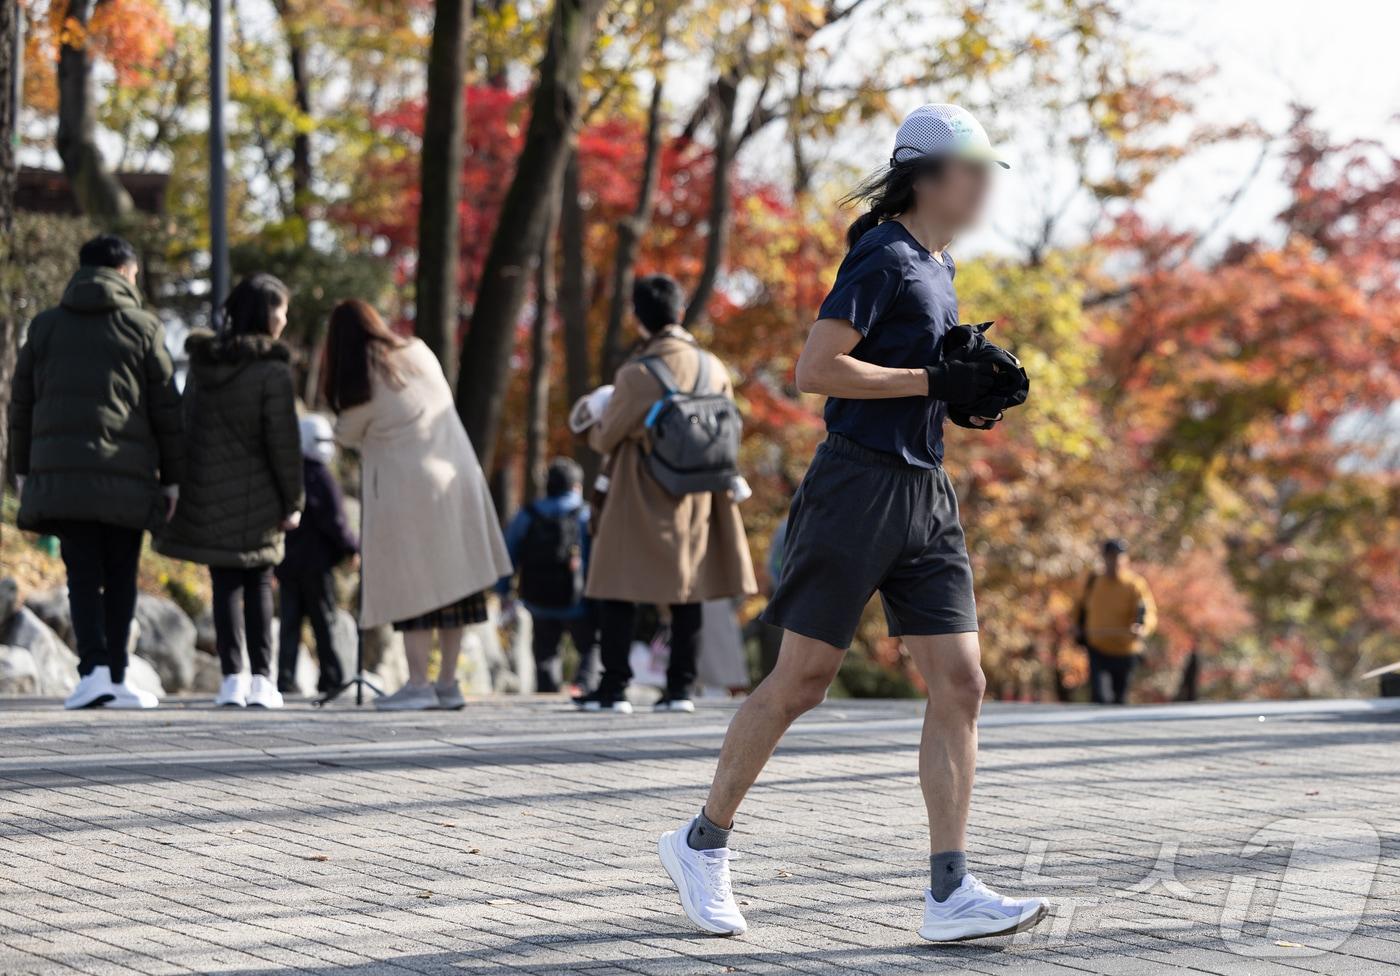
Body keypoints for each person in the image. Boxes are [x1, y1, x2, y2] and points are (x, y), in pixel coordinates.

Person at [654, 104, 1049, 942]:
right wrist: (933, 381)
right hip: (856, 487)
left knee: (963, 683)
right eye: (972, 170)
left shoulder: (938, 263)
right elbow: (816, 368)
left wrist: (959, 389)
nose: (984, 186)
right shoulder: (885, 254)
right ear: (929, 175)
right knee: (802, 681)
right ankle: (702, 843)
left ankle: (949, 892)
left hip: (924, 492)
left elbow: (925, 374)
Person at [8, 234, 183, 709]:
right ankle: (118, 677)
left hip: (62, 477)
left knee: (82, 573)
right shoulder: (143, 328)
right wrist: (172, 476)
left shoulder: (44, 328)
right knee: (122, 574)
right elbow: (167, 408)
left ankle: (92, 674)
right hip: (127, 475)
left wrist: (20, 470)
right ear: (126, 273)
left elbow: (21, 406)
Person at [576, 275, 756, 714]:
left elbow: (605, 439)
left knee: (618, 583)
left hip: (640, 489)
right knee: (687, 588)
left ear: (638, 318)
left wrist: (594, 412)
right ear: (678, 312)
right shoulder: (712, 367)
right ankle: (680, 688)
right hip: (698, 493)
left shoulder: (637, 373)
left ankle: (614, 687)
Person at [324, 300, 511, 711]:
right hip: (457, 479)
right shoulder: (419, 351)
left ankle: (417, 684)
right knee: (455, 590)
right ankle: (448, 684)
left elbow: (345, 433)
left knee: (416, 591)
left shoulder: (363, 381)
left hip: (411, 495)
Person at [157, 274, 303, 709]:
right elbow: (284, 444)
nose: (284, 318)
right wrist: (293, 500)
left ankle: (231, 680)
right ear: (265, 314)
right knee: (258, 580)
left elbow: (187, 426)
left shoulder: (203, 365)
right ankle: (263, 680)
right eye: (281, 310)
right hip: (260, 496)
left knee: (225, 583)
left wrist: (181, 484)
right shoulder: (272, 371)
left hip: (209, 490)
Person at [497, 457, 597, 694]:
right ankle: (584, 688)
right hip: (579, 602)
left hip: (538, 600)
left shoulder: (528, 514)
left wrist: (503, 591)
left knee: (545, 653)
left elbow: (508, 552)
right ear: (576, 486)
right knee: (590, 647)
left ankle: (547, 693)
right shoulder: (585, 514)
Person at [275, 414, 359, 695]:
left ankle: (284, 679)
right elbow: (336, 520)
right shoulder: (321, 476)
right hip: (316, 565)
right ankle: (331, 678)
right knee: (323, 622)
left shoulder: (288, 474)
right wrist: (351, 547)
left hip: (288, 563)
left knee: (290, 624)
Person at [1073, 538, 1158, 705]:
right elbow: (1079, 607)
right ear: (1104, 558)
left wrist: (1142, 627)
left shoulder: (1135, 584)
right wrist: (1076, 626)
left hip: (1126, 651)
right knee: (1100, 698)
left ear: (1126, 559)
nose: (1114, 561)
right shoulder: (1093, 582)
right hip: (1098, 648)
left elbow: (1149, 612)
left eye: (1118, 557)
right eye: (1110, 557)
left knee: (1120, 700)